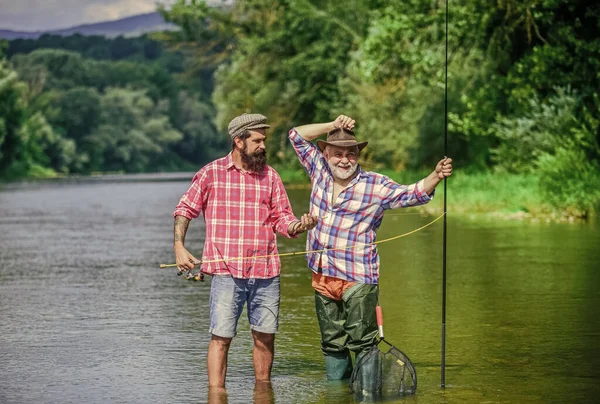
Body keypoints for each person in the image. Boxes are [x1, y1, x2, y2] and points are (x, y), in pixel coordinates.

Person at [288, 115, 453, 380]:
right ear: (325, 153)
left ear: (358, 155)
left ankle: (366, 393)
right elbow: (296, 135)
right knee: (332, 344)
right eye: (338, 153)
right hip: (322, 275)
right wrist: (332, 126)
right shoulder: (318, 170)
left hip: (358, 277)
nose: (344, 159)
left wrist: (435, 175)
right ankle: (338, 395)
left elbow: (412, 194)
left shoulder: (375, 184)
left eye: (351, 154)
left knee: (363, 342)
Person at [173, 113, 317, 387]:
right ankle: (216, 395)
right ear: (239, 141)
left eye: (264, 140)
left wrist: (299, 225)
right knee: (221, 337)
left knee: (265, 337)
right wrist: (179, 246)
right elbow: (184, 210)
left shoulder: (271, 176)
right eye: (258, 140)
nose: (263, 146)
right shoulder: (211, 173)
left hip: (266, 272)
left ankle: (263, 393)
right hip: (226, 274)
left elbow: (282, 218)